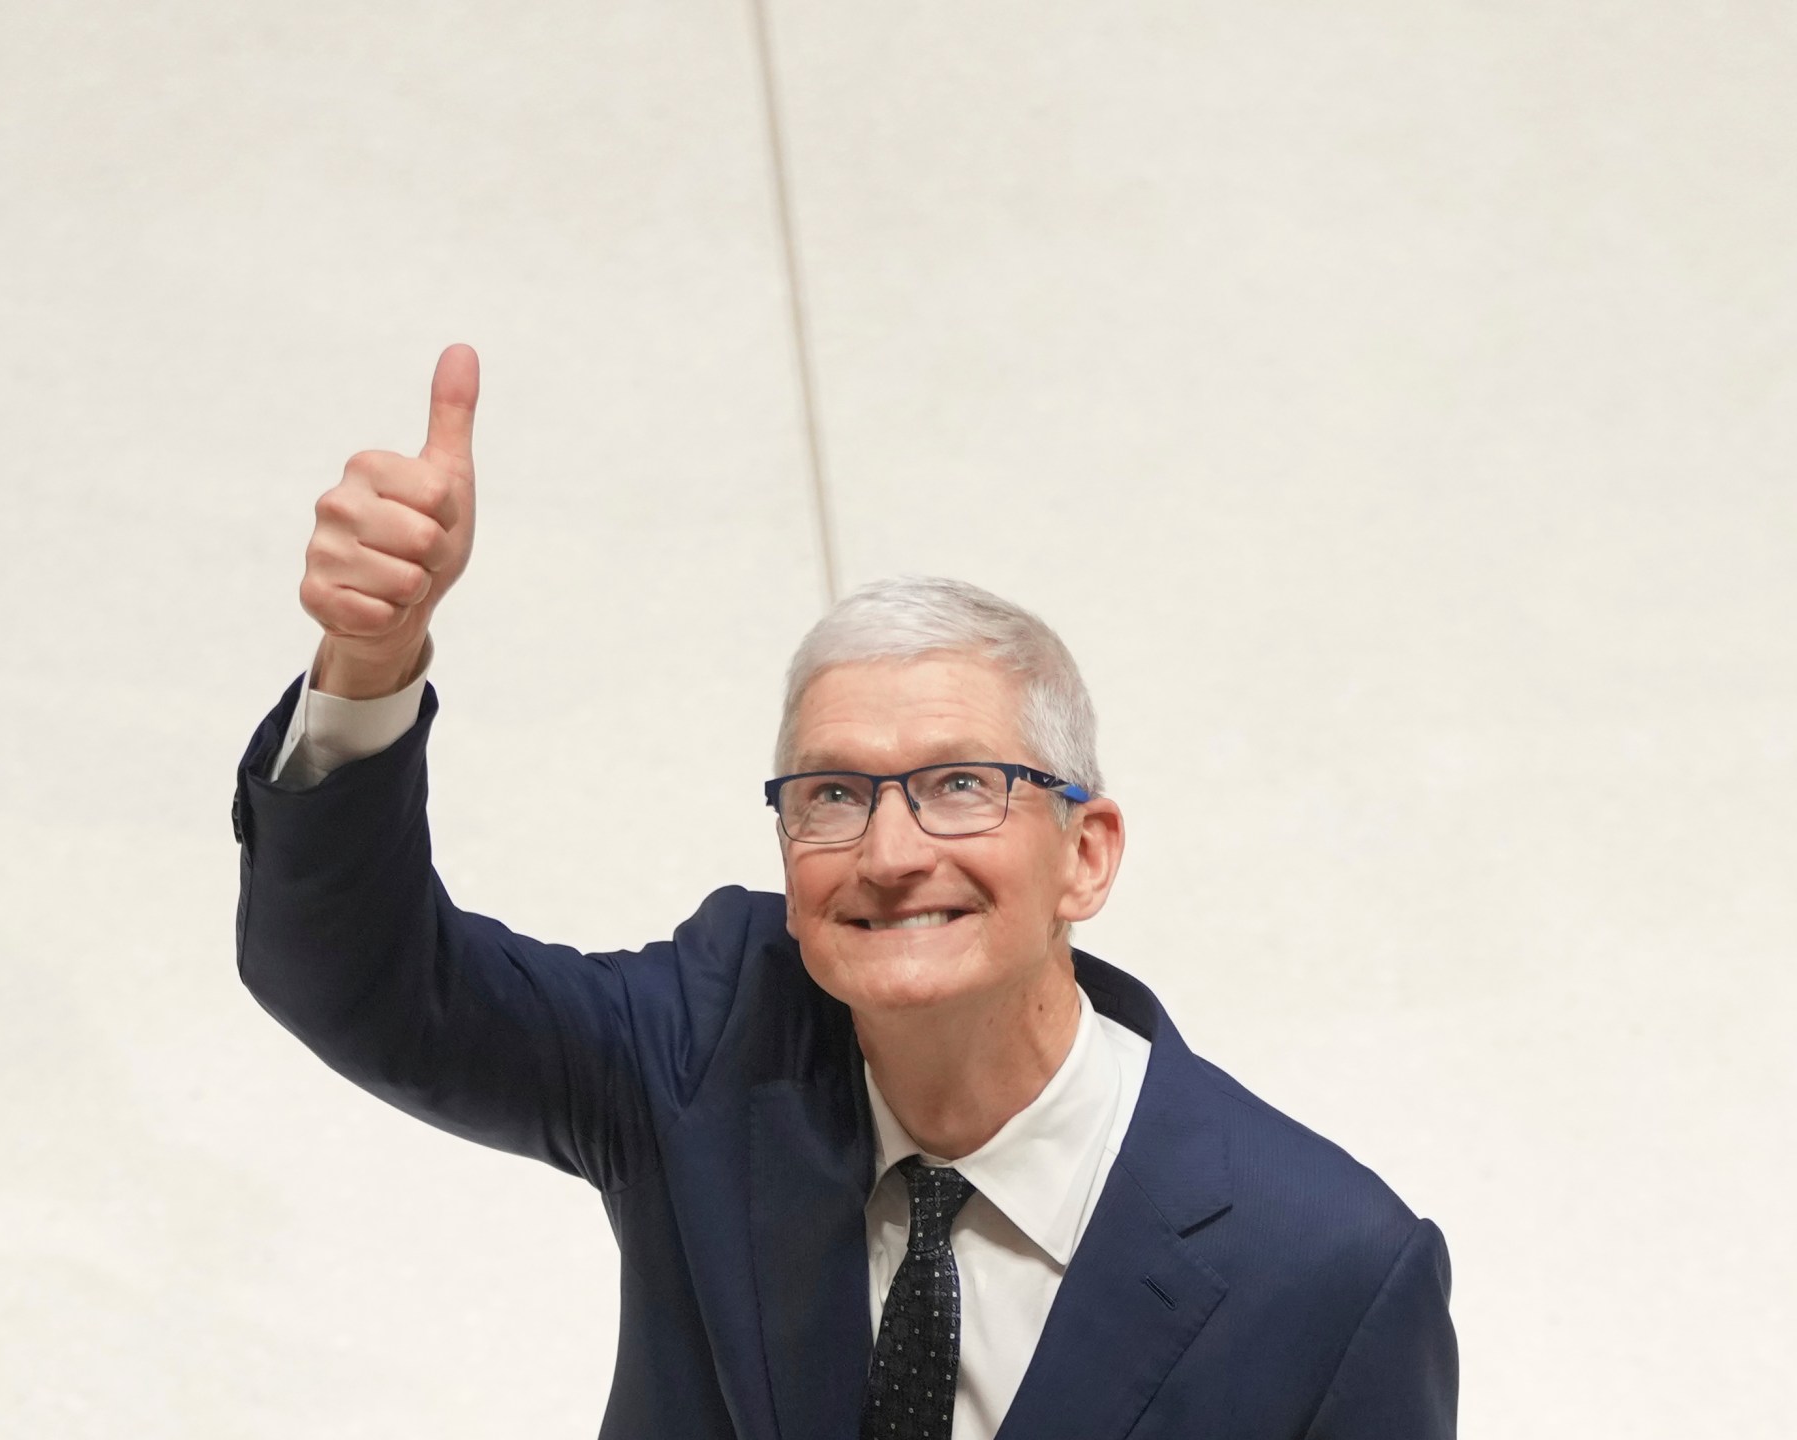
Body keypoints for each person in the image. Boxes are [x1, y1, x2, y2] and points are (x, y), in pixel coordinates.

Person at [230, 345, 1456, 1439]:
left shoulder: (1325, 1270)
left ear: (1086, 853)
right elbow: (366, 985)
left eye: (961, 785)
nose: (888, 853)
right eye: (832, 794)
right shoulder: (711, 1046)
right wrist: (369, 662)